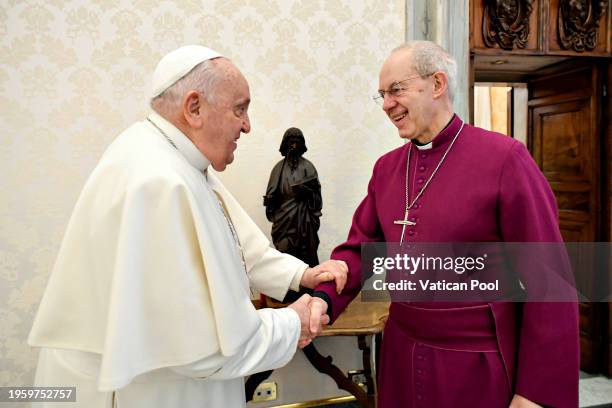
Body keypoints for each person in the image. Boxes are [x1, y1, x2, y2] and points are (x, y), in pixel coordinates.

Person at [28, 45, 347, 408]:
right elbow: (203, 348)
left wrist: (301, 275)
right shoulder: (158, 181)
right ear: (194, 107)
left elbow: (235, 242)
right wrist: (293, 323)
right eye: (239, 109)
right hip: (150, 392)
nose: (247, 125)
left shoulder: (175, 158)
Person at [312, 41, 579, 407]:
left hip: (475, 365)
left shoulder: (505, 159)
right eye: (382, 95)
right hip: (401, 356)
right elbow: (360, 250)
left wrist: (534, 392)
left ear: (437, 84)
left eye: (396, 90)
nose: (387, 104)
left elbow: (550, 283)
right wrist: (322, 299)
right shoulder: (387, 168)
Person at [264, 127, 322, 268]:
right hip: (284, 223)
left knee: (307, 260)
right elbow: (271, 198)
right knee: (285, 259)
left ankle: (307, 285)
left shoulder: (309, 167)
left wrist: (307, 193)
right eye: (291, 142)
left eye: (297, 142)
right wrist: (270, 201)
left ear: (301, 145)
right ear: (285, 145)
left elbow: (318, 201)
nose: (294, 146)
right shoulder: (278, 169)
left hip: (305, 224)